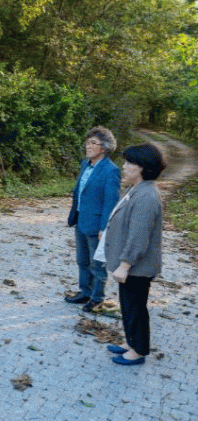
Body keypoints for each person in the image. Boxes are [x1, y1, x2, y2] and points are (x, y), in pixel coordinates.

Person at [98, 144, 165, 365]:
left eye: (130, 163)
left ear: (143, 167)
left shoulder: (146, 196)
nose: (124, 166)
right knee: (128, 305)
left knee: (135, 307)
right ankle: (131, 342)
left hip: (137, 267)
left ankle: (139, 351)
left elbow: (139, 236)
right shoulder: (136, 188)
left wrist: (125, 264)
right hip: (131, 266)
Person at [65, 126, 121, 312]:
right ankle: (85, 292)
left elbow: (111, 202)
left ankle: (97, 298)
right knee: (82, 260)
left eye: (93, 143)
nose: (88, 146)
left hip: (96, 224)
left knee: (97, 264)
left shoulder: (111, 170)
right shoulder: (85, 164)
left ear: (104, 148)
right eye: (87, 143)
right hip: (81, 219)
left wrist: (104, 228)